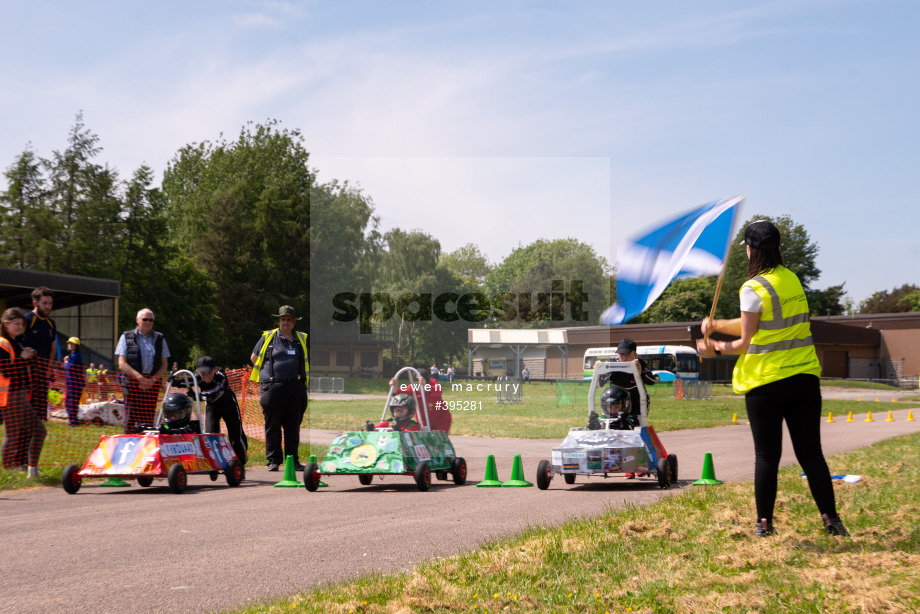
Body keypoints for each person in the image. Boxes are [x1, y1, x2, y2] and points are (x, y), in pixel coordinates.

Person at [697, 220, 847, 537]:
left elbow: (746, 342)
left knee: (767, 455)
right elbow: (761, 322)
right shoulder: (792, 280)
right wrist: (719, 324)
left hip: (766, 382)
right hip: (804, 378)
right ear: (777, 248)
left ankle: (764, 524)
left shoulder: (752, 288)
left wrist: (715, 349)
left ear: (751, 251)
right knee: (811, 454)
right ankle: (832, 520)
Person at [250, 305, 309, 472]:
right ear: (279, 321)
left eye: (289, 319)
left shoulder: (300, 338)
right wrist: (267, 375)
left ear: (294, 322)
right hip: (273, 387)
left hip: (296, 387)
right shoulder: (268, 337)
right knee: (273, 425)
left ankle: (293, 461)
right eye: (283, 319)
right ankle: (273, 461)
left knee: (293, 426)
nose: (286, 322)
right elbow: (254, 357)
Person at [0, 308, 46, 477]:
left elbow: (19, 366)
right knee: (12, 434)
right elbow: (6, 371)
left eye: (22, 324)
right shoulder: (2, 343)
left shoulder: (16, 341)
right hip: (10, 395)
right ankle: (6, 474)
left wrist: (28, 357)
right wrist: (23, 359)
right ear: (6, 324)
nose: (20, 327)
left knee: (39, 431)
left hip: (20, 394)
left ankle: (32, 471)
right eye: (16, 324)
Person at [115, 308, 170, 433]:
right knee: (131, 420)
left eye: (151, 320)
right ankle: (129, 449)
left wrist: (152, 380)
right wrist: (140, 378)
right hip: (132, 384)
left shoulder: (160, 338)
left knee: (147, 422)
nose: (148, 322)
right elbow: (121, 363)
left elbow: (164, 365)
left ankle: (145, 451)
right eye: (145, 319)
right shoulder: (126, 337)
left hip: (152, 386)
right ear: (137, 320)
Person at [193, 356, 248, 465]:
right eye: (202, 373)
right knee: (210, 434)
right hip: (212, 407)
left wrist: (198, 396)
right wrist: (176, 380)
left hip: (229, 406)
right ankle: (214, 461)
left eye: (208, 372)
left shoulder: (221, 377)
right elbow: (187, 381)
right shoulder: (198, 377)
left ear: (215, 369)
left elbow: (213, 392)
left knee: (235, 437)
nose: (205, 376)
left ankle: (240, 462)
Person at [23, 286, 57, 421]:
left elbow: (53, 346)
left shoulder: (51, 323)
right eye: (45, 303)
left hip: (42, 374)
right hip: (26, 373)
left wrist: (48, 367)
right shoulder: (26, 319)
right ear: (35, 303)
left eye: (50, 303)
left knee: (40, 415)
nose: (48, 307)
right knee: (26, 413)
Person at [389, 368, 451, 433]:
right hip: (424, 421)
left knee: (438, 440)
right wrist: (394, 389)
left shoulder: (435, 386)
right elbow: (403, 395)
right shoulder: (412, 388)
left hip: (441, 421)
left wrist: (425, 388)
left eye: (419, 385)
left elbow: (437, 392)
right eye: (416, 385)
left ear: (428, 382)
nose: (418, 387)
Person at [63, 337, 86, 426]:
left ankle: (73, 422)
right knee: (68, 402)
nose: (69, 345)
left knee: (72, 403)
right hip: (71, 384)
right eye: (69, 343)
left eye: (72, 344)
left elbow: (70, 367)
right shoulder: (72, 356)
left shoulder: (76, 356)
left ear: (76, 346)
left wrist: (65, 362)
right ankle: (73, 420)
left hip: (75, 384)